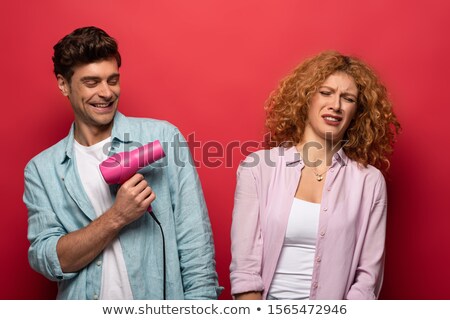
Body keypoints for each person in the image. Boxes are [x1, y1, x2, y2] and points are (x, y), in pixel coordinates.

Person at [24, 26, 222, 300]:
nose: (106, 93)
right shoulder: (42, 170)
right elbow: (48, 260)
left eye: (113, 80)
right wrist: (117, 217)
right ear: (63, 84)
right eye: (92, 83)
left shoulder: (163, 138)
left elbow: (195, 246)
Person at [230, 51, 401, 300]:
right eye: (326, 92)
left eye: (348, 98)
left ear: (358, 112)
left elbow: (367, 281)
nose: (336, 105)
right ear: (306, 97)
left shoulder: (369, 182)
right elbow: (245, 271)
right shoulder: (258, 168)